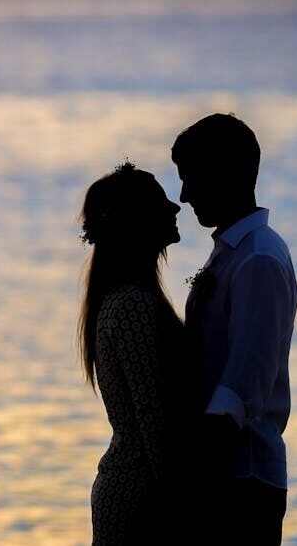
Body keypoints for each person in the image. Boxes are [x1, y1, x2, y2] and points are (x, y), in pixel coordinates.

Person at [172, 113, 297, 546]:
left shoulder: (257, 259)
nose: (184, 196)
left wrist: (190, 466)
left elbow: (244, 385)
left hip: (241, 478)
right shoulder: (235, 252)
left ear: (230, 174)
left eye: (192, 177)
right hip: (228, 476)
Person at [78, 161, 193, 545]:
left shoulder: (125, 299)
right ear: (138, 222)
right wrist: (184, 503)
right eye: (161, 202)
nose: (175, 208)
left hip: (135, 490)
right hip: (141, 498)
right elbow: (152, 415)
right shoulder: (132, 304)